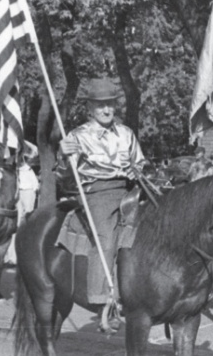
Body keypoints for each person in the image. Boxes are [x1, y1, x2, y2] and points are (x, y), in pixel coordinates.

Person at [55, 78, 146, 306]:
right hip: (97, 193)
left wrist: (139, 173)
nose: (106, 109)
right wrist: (63, 155)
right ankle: (101, 296)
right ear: (90, 108)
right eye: (100, 105)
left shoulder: (126, 133)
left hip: (128, 190)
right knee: (106, 236)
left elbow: (140, 162)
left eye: (110, 104)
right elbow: (64, 176)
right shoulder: (77, 136)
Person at [5, 141, 39, 266]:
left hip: (28, 190)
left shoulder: (28, 167)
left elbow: (34, 150)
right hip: (16, 192)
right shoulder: (12, 166)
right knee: (16, 224)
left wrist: (22, 139)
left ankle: (23, 256)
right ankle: (12, 257)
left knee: (27, 220)